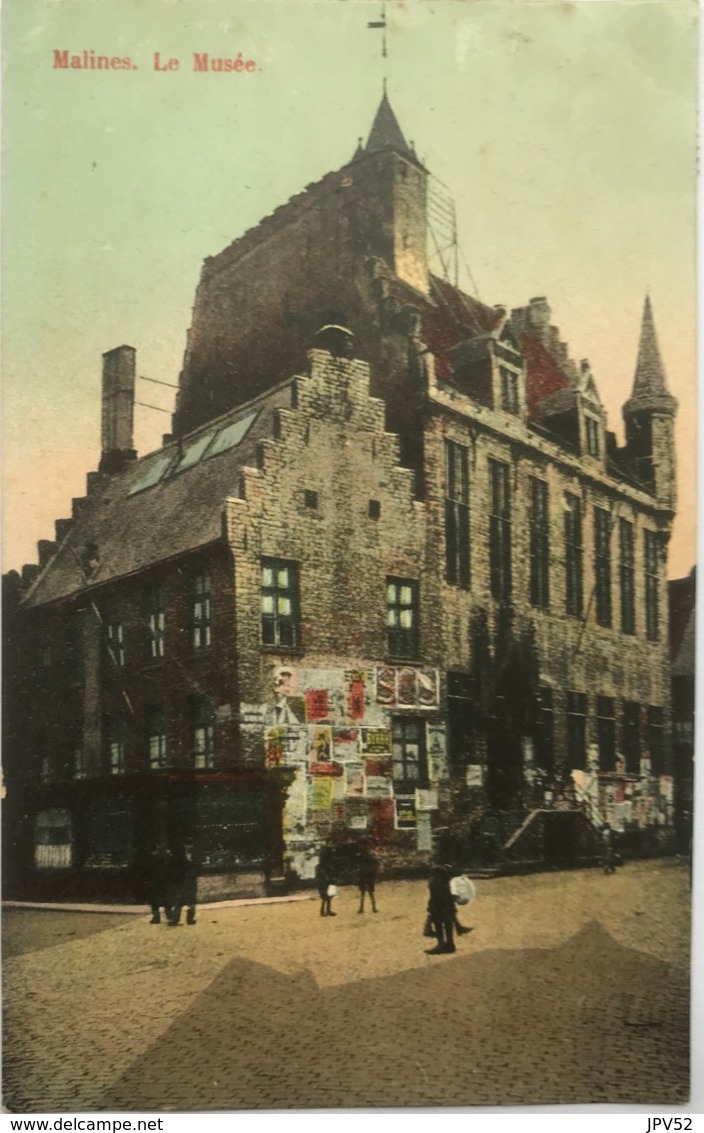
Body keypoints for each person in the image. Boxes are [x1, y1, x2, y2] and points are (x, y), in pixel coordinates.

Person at [426, 864, 456, 954]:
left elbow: (435, 896)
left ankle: (441, 945)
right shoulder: (446, 881)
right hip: (449, 906)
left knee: (438, 926)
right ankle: (450, 944)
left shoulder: (435, 882)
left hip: (438, 907)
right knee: (448, 925)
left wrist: (431, 906)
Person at [166, 842, 198, 926]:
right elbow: (176, 869)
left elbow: (198, 867)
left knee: (192, 902)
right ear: (184, 846)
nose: (189, 846)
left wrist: (193, 875)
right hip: (182, 882)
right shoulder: (180, 857)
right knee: (179, 901)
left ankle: (190, 919)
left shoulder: (196, 856)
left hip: (191, 882)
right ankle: (175, 920)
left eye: (191, 844)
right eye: (187, 844)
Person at [145, 842, 170, 924]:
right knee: (167, 900)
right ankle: (170, 916)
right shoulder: (167, 859)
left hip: (155, 882)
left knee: (154, 902)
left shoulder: (152, 859)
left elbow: (149, 871)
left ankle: (156, 918)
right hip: (164, 882)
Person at [316, 839, 337, 917]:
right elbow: (324, 864)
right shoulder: (325, 852)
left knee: (329, 894)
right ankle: (323, 911)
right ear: (327, 843)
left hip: (327, 874)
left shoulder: (329, 852)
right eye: (331, 843)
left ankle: (327, 910)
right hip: (323, 875)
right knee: (325, 895)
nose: (332, 845)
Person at [357, 841, 379, 914]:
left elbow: (375, 865)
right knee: (369, 893)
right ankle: (373, 907)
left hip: (366, 876)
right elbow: (376, 865)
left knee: (365, 893)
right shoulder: (369, 856)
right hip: (367, 876)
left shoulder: (362, 856)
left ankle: (363, 908)